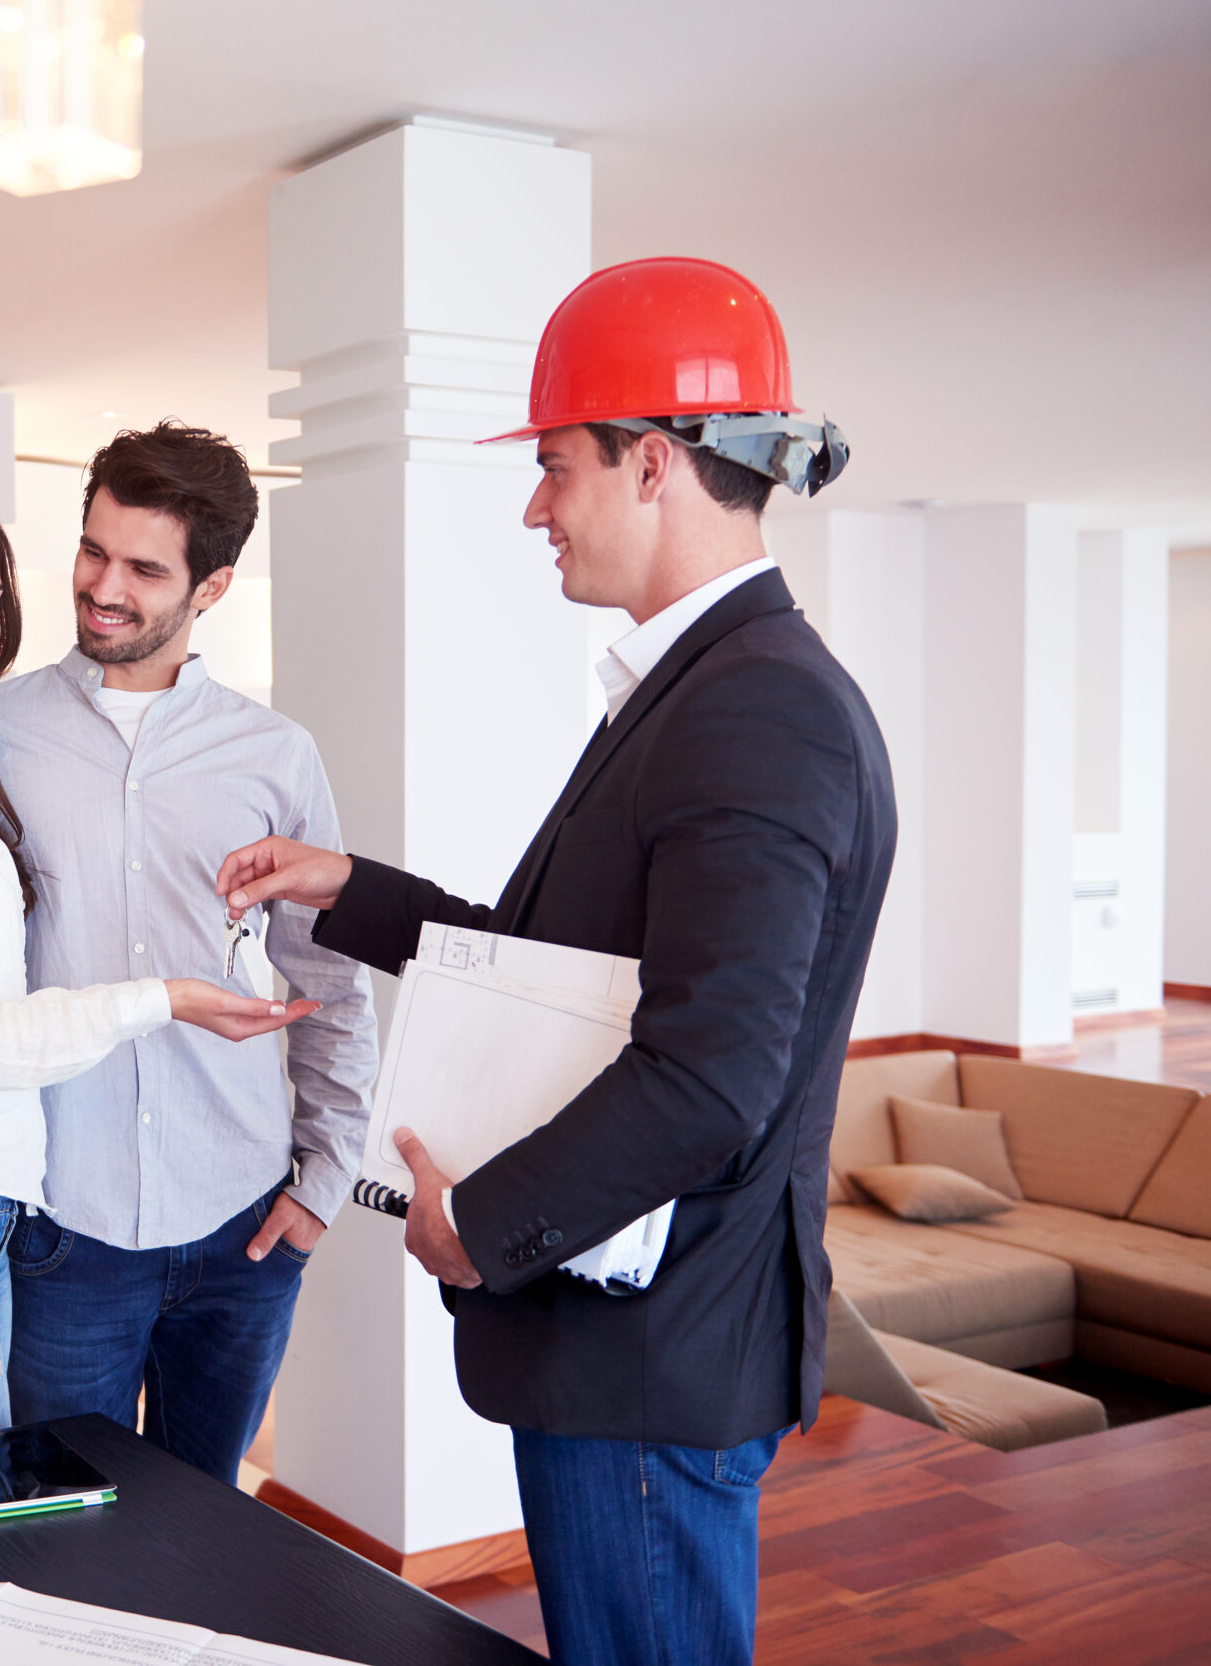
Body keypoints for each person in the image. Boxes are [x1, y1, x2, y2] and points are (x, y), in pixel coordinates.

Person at [217, 258, 890, 1666]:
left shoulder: (757, 712)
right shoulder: (709, 688)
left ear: (653, 464)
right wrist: (357, 891)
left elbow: (712, 1075)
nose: (537, 505)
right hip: (633, 1344)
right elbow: (566, 975)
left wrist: (485, 1221)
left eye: (556, 467)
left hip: (652, 1355)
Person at [0, 427, 379, 1484]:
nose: (103, 588)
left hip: (243, 1216)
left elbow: (328, 977)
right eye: (91, 551)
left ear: (212, 585)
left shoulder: (275, 754)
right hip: (61, 1224)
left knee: (205, 1516)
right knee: (59, 1528)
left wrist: (324, 1179)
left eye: (145, 568)